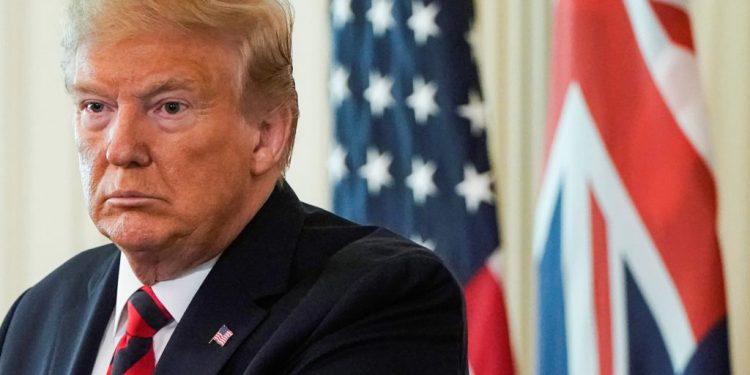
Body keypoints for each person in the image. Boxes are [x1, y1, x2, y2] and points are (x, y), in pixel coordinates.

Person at [0, 0, 467, 374]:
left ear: (266, 134)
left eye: (170, 107)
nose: (121, 149)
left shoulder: (377, 299)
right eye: (96, 107)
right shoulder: (37, 315)